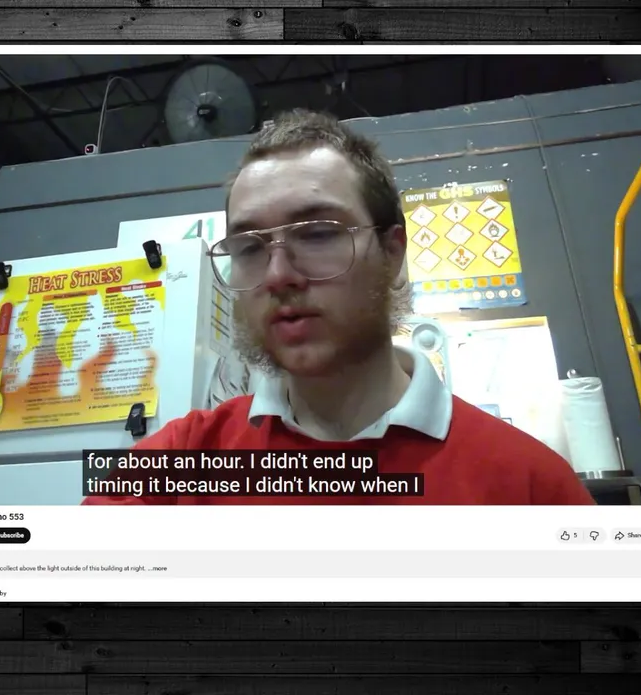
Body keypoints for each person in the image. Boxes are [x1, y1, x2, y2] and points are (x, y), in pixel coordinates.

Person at [83, 109, 595, 506]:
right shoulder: (185, 460)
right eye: (249, 247)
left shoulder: (527, 486)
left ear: (392, 253)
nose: (278, 275)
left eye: (318, 233)